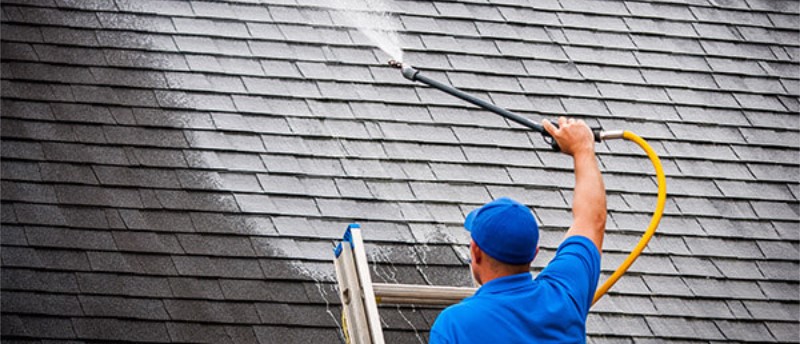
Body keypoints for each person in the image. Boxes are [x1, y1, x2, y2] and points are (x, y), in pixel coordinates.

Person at [429, 117, 607, 344]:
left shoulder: (455, 326)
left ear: (476, 252)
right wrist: (583, 148)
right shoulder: (564, 295)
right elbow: (592, 219)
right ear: (534, 252)